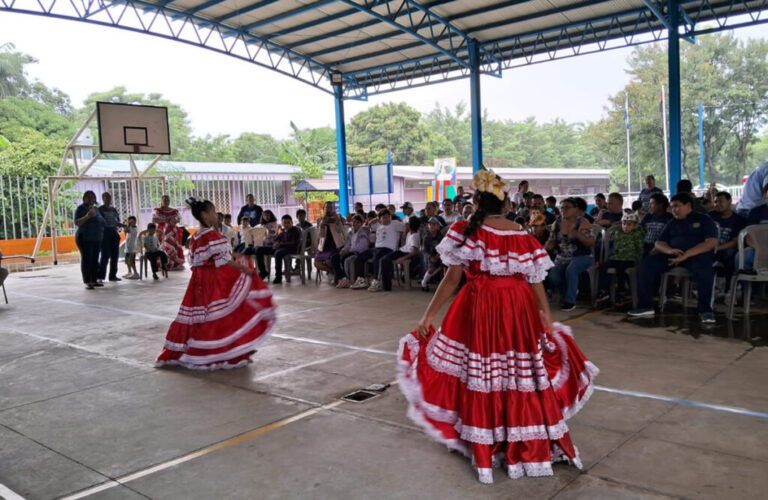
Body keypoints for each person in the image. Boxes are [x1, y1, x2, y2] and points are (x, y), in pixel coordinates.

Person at [397, 169, 598, 484]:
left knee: (485, 372)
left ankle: (487, 438)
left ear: (476, 202)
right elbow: (534, 280)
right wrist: (545, 315)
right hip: (519, 308)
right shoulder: (520, 232)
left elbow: (451, 279)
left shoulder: (466, 230)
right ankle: (524, 439)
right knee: (518, 372)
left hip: (482, 306)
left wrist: (429, 316)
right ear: (506, 204)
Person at [156, 198, 274, 370]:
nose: (216, 215)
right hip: (212, 281)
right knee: (221, 312)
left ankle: (198, 347)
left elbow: (197, 261)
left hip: (197, 282)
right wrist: (244, 268)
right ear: (204, 215)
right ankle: (223, 350)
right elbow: (224, 260)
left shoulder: (196, 236)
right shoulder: (211, 235)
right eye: (213, 212)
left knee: (199, 315)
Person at [629, 193, 718, 323]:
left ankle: (705, 311)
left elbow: (711, 242)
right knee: (647, 264)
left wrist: (687, 254)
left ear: (688, 205)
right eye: (672, 207)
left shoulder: (704, 220)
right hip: (673, 255)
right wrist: (669, 250)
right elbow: (659, 243)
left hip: (696, 255)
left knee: (705, 270)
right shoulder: (672, 222)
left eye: (677, 206)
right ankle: (645, 306)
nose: (674, 210)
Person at [545, 198, 596, 311]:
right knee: (553, 276)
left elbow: (591, 243)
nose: (563, 210)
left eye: (567, 207)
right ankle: (570, 291)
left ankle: (570, 301)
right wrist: (548, 245)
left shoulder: (583, 222)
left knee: (571, 269)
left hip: (582, 256)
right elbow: (551, 241)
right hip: (562, 258)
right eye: (562, 208)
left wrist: (578, 235)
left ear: (575, 209)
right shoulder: (556, 223)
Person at [595, 213, 645, 307]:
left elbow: (640, 249)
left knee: (621, 269)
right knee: (604, 266)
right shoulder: (618, 233)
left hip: (630, 259)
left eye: (629, 224)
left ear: (635, 225)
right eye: (624, 223)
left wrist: (638, 260)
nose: (626, 226)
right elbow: (615, 248)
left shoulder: (638, 234)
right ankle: (604, 291)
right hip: (617, 257)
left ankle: (621, 293)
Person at [350, 209, 405, 290]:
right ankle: (361, 280)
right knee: (360, 257)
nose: (387, 219)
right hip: (376, 249)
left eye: (388, 217)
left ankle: (376, 281)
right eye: (384, 217)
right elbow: (369, 224)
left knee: (377, 257)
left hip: (388, 249)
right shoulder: (378, 225)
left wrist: (403, 236)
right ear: (379, 219)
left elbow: (407, 226)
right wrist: (377, 218)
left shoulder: (395, 223)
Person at [710, 192, 746, 292]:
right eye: (715, 202)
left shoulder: (738, 220)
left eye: (721, 201)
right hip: (710, 247)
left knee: (731, 253)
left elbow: (735, 242)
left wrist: (716, 248)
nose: (717, 204)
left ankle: (729, 288)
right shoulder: (710, 216)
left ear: (730, 201)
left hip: (726, 249)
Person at [378, 217, 422, 291]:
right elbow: (404, 237)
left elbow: (415, 251)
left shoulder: (415, 236)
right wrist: (406, 230)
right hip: (402, 251)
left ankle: (386, 286)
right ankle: (385, 283)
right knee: (384, 259)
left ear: (410, 225)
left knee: (384, 260)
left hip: (406, 253)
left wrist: (403, 258)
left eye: (408, 224)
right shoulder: (409, 233)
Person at [74, 191, 105, 290]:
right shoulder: (80, 209)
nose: (91, 199)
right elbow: (77, 222)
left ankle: (94, 280)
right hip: (84, 237)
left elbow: (102, 221)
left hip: (96, 238)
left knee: (95, 259)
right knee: (87, 259)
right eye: (88, 197)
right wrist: (87, 216)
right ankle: (88, 281)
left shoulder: (96, 209)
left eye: (93, 197)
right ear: (84, 198)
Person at [333, 215, 370, 288]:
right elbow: (348, 244)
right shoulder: (351, 233)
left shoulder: (363, 233)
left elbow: (362, 247)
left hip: (357, 253)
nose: (355, 224)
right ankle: (342, 278)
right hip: (349, 251)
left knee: (344, 258)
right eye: (354, 222)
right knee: (334, 257)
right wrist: (344, 249)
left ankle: (348, 279)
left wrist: (348, 251)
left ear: (361, 223)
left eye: (357, 222)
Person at [152, 195, 185, 270]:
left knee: (173, 246)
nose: (167, 202)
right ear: (161, 201)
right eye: (165, 200)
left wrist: (173, 220)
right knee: (163, 247)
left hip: (173, 231)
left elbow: (178, 220)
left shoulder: (174, 211)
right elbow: (154, 220)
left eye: (168, 200)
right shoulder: (158, 211)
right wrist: (164, 220)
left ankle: (174, 263)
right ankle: (164, 263)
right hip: (162, 231)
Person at [315, 202, 345, 279]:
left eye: (331, 208)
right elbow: (320, 236)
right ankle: (334, 272)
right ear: (324, 209)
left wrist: (337, 221)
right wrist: (322, 225)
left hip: (335, 246)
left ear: (334, 209)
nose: (329, 209)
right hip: (324, 247)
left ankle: (336, 275)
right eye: (327, 208)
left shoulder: (338, 218)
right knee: (317, 263)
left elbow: (341, 231)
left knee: (329, 261)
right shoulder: (320, 220)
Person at [98, 192, 124, 283]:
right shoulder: (100, 209)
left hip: (114, 234)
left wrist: (124, 225)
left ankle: (113, 276)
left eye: (109, 197)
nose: (108, 199)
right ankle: (100, 276)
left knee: (115, 256)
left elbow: (117, 222)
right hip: (105, 235)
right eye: (106, 198)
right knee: (105, 256)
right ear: (103, 199)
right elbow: (99, 222)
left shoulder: (113, 210)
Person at [420, 217, 444, 292]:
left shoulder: (441, 236)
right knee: (433, 266)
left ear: (438, 226)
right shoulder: (426, 237)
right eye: (430, 224)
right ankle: (424, 282)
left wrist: (438, 255)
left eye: (434, 224)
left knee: (443, 264)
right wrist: (431, 257)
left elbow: (443, 248)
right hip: (428, 255)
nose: (431, 226)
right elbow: (424, 250)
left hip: (439, 255)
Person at [253, 211, 279, 279]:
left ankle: (263, 271)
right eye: (265, 215)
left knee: (258, 249)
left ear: (271, 216)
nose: (266, 217)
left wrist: (264, 231)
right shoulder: (262, 225)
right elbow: (256, 232)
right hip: (263, 244)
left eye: (268, 215)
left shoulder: (274, 223)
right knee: (251, 249)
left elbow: (273, 232)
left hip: (272, 245)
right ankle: (258, 270)